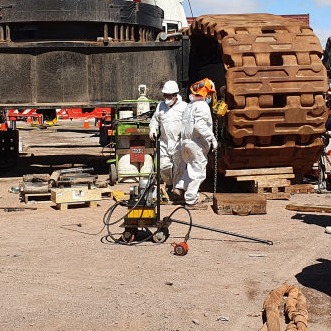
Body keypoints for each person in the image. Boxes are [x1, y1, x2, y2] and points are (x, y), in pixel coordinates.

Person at [174, 78, 218, 209]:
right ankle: (191, 200)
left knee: (191, 168)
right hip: (196, 144)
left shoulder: (190, 106)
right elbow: (200, 125)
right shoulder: (202, 105)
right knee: (199, 173)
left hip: (186, 143)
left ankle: (180, 187)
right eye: (210, 94)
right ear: (206, 93)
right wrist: (212, 138)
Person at [149, 80, 187, 198]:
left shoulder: (184, 107)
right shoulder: (161, 106)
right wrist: (153, 129)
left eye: (169, 96)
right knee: (163, 166)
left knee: (179, 168)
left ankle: (177, 191)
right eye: (165, 95)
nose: (166, 98)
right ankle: (170, 184)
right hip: (165, 142)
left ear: (175, 95)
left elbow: (189, 124)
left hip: (178, 143)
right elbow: (155, 120)